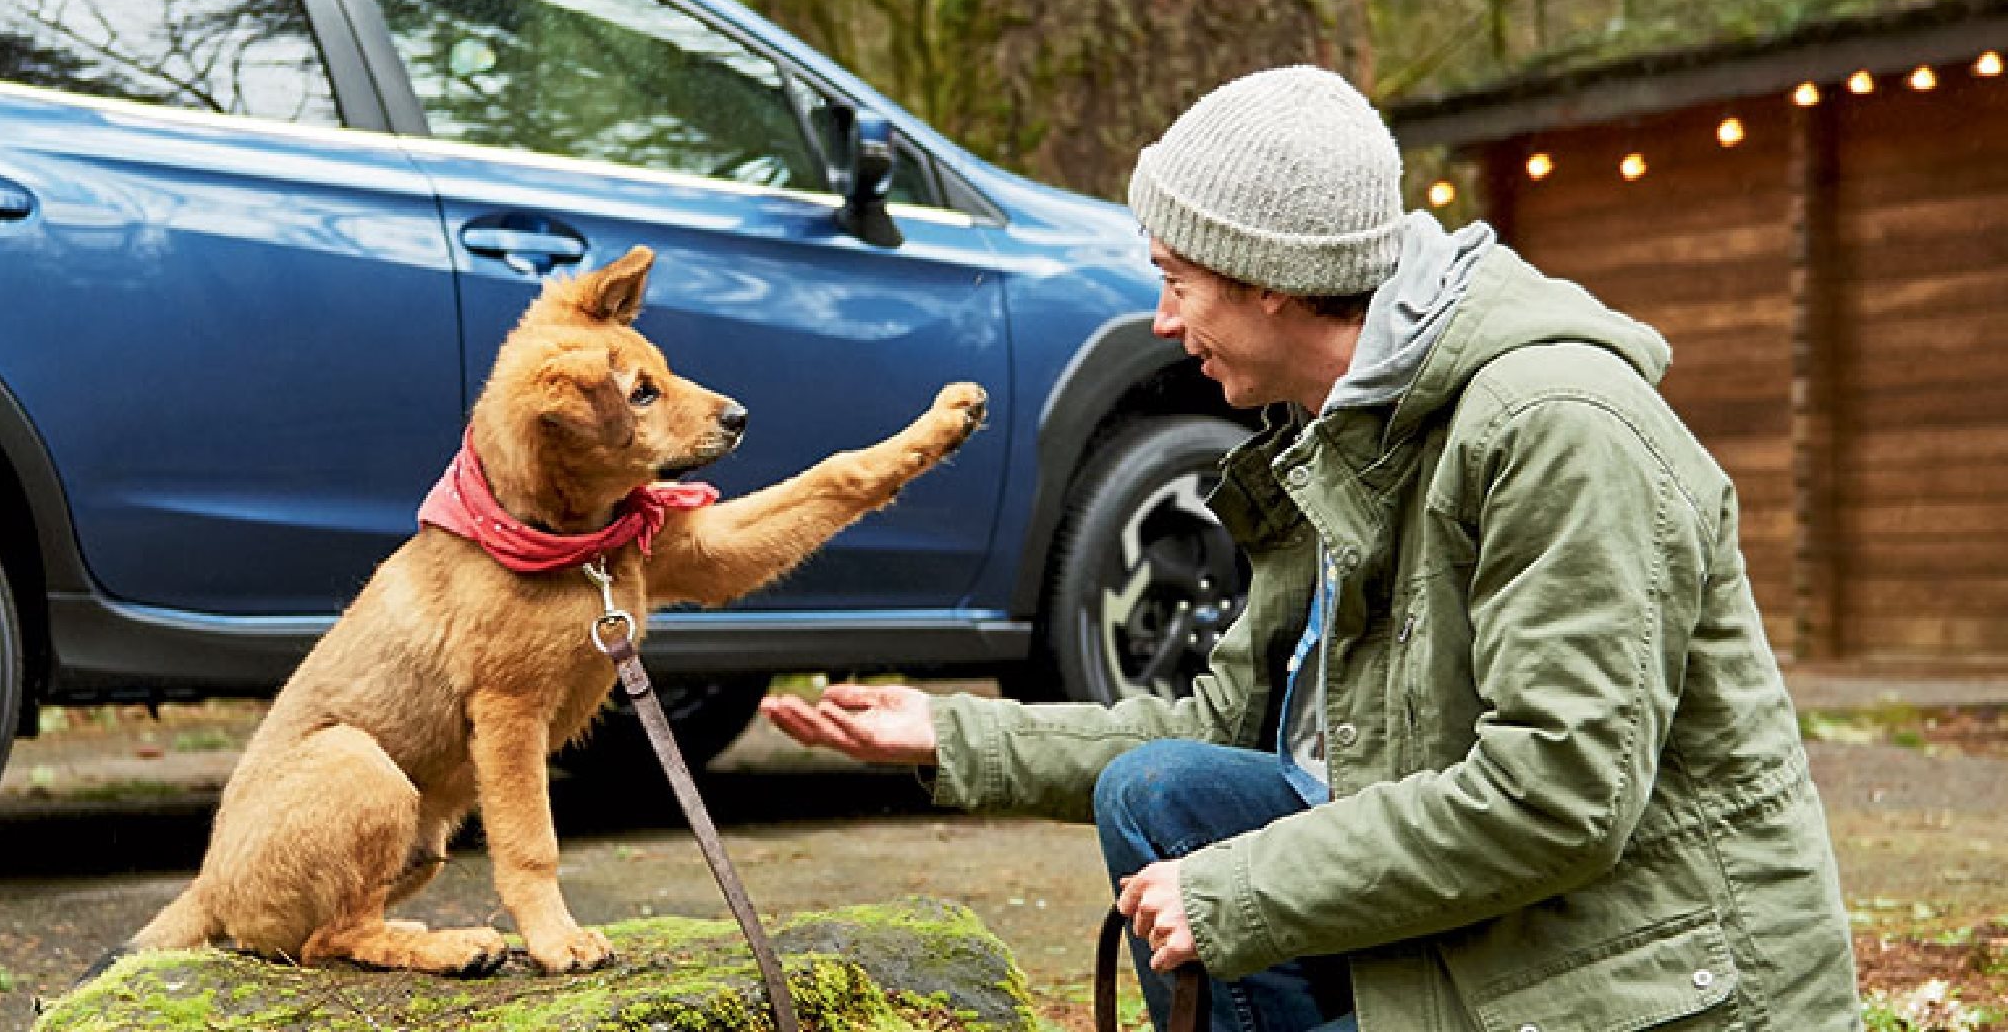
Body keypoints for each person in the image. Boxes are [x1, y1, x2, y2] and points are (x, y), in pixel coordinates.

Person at [763, 64, 1862, 1031]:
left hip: (1645, 987)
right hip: (1504, 925)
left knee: (1200, 846)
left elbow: (1557, 795)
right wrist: (951, 735)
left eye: (1176, 280)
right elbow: (1220, 727)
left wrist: (1236, 891)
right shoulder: (1343, 428)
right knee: (1163, 789)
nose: (1160, 319)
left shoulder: (1555, 426)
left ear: (1270, 279)